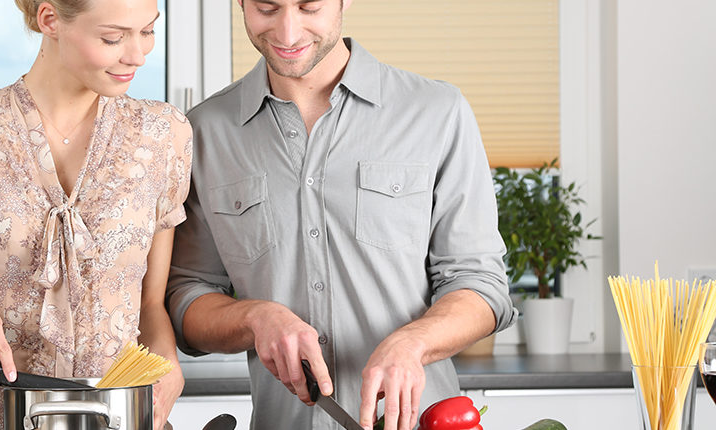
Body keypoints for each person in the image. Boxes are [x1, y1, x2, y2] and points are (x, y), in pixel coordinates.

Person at [166, 1, 517, 430]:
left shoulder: (437, 112)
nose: (288, 31)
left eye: (309, 6)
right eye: (267, 8)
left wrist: (415, 342)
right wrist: (255, 317)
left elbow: (481, 284)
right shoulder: (203, 132)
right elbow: (187, 296)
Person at [0, 0, 191, 428]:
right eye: (113, 38)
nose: (138, 55)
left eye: (147, 31)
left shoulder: (165, 133)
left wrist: (167, 367)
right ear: (49, 19)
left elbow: (150, 304)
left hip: (124, 419)